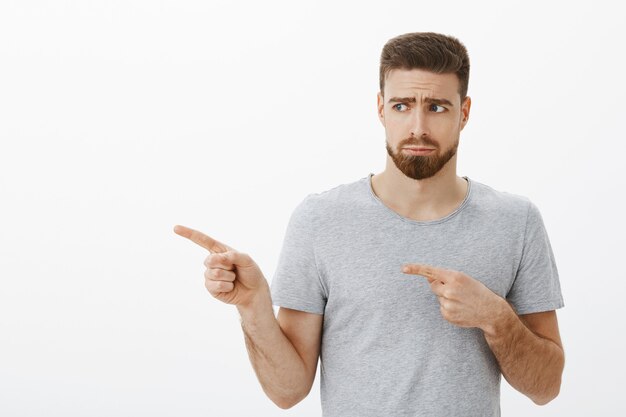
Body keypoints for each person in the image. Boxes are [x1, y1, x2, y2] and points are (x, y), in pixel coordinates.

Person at [173, 31, 565, 417]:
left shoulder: (516, 221)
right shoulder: (320, 220)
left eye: (437, 107)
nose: (417, 127)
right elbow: (288, 391)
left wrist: (496, 318)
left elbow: (546, 387)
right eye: (401, 106)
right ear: (380, 108)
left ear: (464, 112)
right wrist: (252, 306)